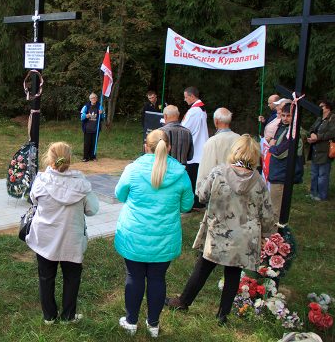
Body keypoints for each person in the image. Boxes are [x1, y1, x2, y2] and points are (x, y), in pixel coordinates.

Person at [166, 135, 275, 325]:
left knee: (203, 267)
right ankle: (222, 315)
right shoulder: (258, 181)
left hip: (218, 231)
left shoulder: (219, 172)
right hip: (243, 237)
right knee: (232, 274)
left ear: (235, 152)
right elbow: (266, 212)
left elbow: (202, 195)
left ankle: (183, 301)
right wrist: (266, 233)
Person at [114, 129, 193, 337]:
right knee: (158, 278)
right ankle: (153, 324)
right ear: (169, 148)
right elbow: (187, 205)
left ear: (145, 147)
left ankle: (131, 322)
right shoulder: (180, 173)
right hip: (164, 237)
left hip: (134, 235)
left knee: (134, 276)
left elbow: (120, 194)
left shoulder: (133, 169)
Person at [26, 142, 99, 324]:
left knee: (46, 277)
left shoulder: (40, 181)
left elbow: (33, 200)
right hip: (71, 240)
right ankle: (68, 316)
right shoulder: (81, 184)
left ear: (49, 159)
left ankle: (49, 316)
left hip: (44, 239)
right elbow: (92, 210)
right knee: (72, 278)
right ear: (69, 159)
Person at [268, 103, 305, 222]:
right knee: (276, 206)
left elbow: (280, 152)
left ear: (294, 117)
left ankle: (275, 235)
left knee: (276, 209)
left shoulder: (293, 133)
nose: (285, 118)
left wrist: (272, 146)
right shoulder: (283, 127)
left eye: (288, 116)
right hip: (278, 172)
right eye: (283, 115)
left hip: (282, 174)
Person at [196, 108, 240, 189]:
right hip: (238, 187)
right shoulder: (240, 139)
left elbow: (205, 170)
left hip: (217, 191)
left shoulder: (212, 142)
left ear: (216, 121)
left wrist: (200, 190)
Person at [181, 86, 209, 209]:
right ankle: (198, 202)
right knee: (197, 176)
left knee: (192, 177)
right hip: (199, 147)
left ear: (192, 96)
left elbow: (185, 128)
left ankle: (194, 203)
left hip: (194, 149)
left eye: (186, 97)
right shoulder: (201, 109)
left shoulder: (194, 111)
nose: (185, 99)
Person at [307, 100, 335, 201]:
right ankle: (313, 192)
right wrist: (311, 135)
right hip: (315, 149)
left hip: (325, 149)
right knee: (314, 173)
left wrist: (318, 137)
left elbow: (332, 133)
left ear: (327, 107)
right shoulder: (319, 118)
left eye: (321, 106)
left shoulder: (333, 118)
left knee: (323, 174)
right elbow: (311, 128)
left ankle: (322, 195)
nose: (320, 108)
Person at [80, 92, 104, 162]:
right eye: (92, 98)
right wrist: (86, 116)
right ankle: (85, 157)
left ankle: (93, 157)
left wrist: (101, 113)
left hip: (96, 128)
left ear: (97, 99)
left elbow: (103, 117)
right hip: (87, 128)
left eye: (95, 98)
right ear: (90, 99)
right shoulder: (86, 106)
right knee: (87, 143)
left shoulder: (100, 106)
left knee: (94, 143)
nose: (94, 99)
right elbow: (81, 117)